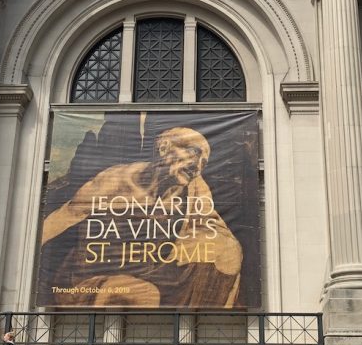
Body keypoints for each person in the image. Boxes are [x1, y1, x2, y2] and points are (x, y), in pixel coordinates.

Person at [40, 126, 243, 307]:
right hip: (92, 273)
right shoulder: (117, 180)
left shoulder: (195, 187)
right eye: (193, 153)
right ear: (164, 148)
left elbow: (218, 232)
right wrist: (27, 260)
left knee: (226, 254)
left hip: (155, 273)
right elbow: (66, 215)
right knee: (141, 295)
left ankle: (198, 329)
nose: (197, 167)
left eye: (204, 162)